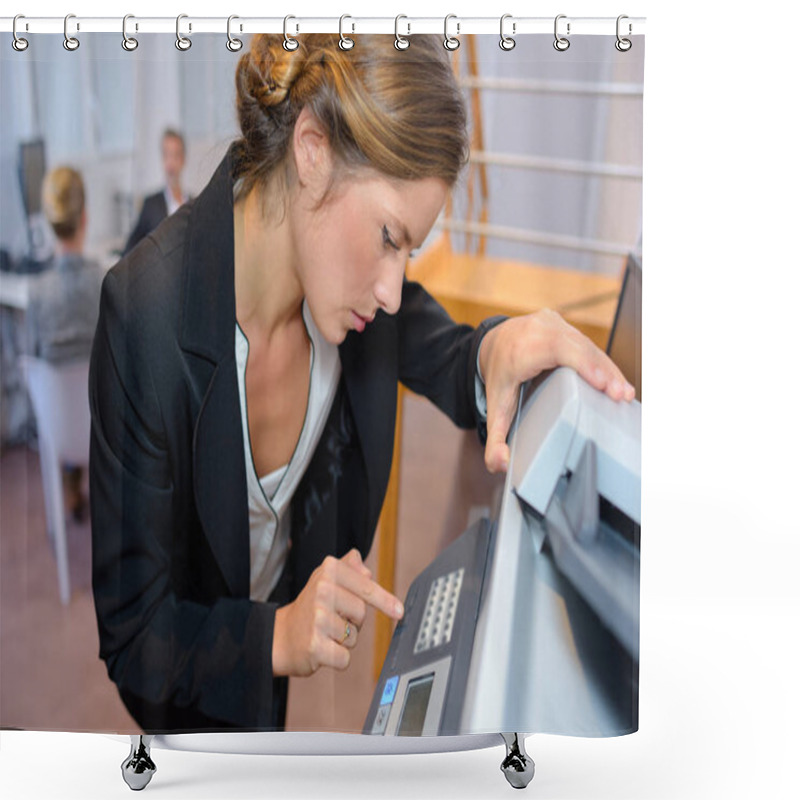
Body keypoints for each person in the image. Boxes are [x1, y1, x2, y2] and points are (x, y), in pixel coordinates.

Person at [89, 34, 634, 734]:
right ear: (311, 150)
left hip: (268, 668)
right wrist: (280, 636)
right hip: (193, 683)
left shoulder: (346, 280)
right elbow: (137, 634)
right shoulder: (147, 317)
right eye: (388, 236)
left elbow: (455, 353)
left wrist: (501, 346)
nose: (393, 291)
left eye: (409, 251)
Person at [28, 166, 103, 521]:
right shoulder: (105, 284)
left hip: (59, 431)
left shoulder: (38, 295)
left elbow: (33, 362)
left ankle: (71, 489)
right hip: (103, 429)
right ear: (85, 217)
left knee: (63, 385)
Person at [122, 129, 188, 255]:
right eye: (166, 155)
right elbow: (129, 250)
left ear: (183, 160)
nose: (171, 163)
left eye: (175, 155)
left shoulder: (194, 205)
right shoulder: (151, 205)